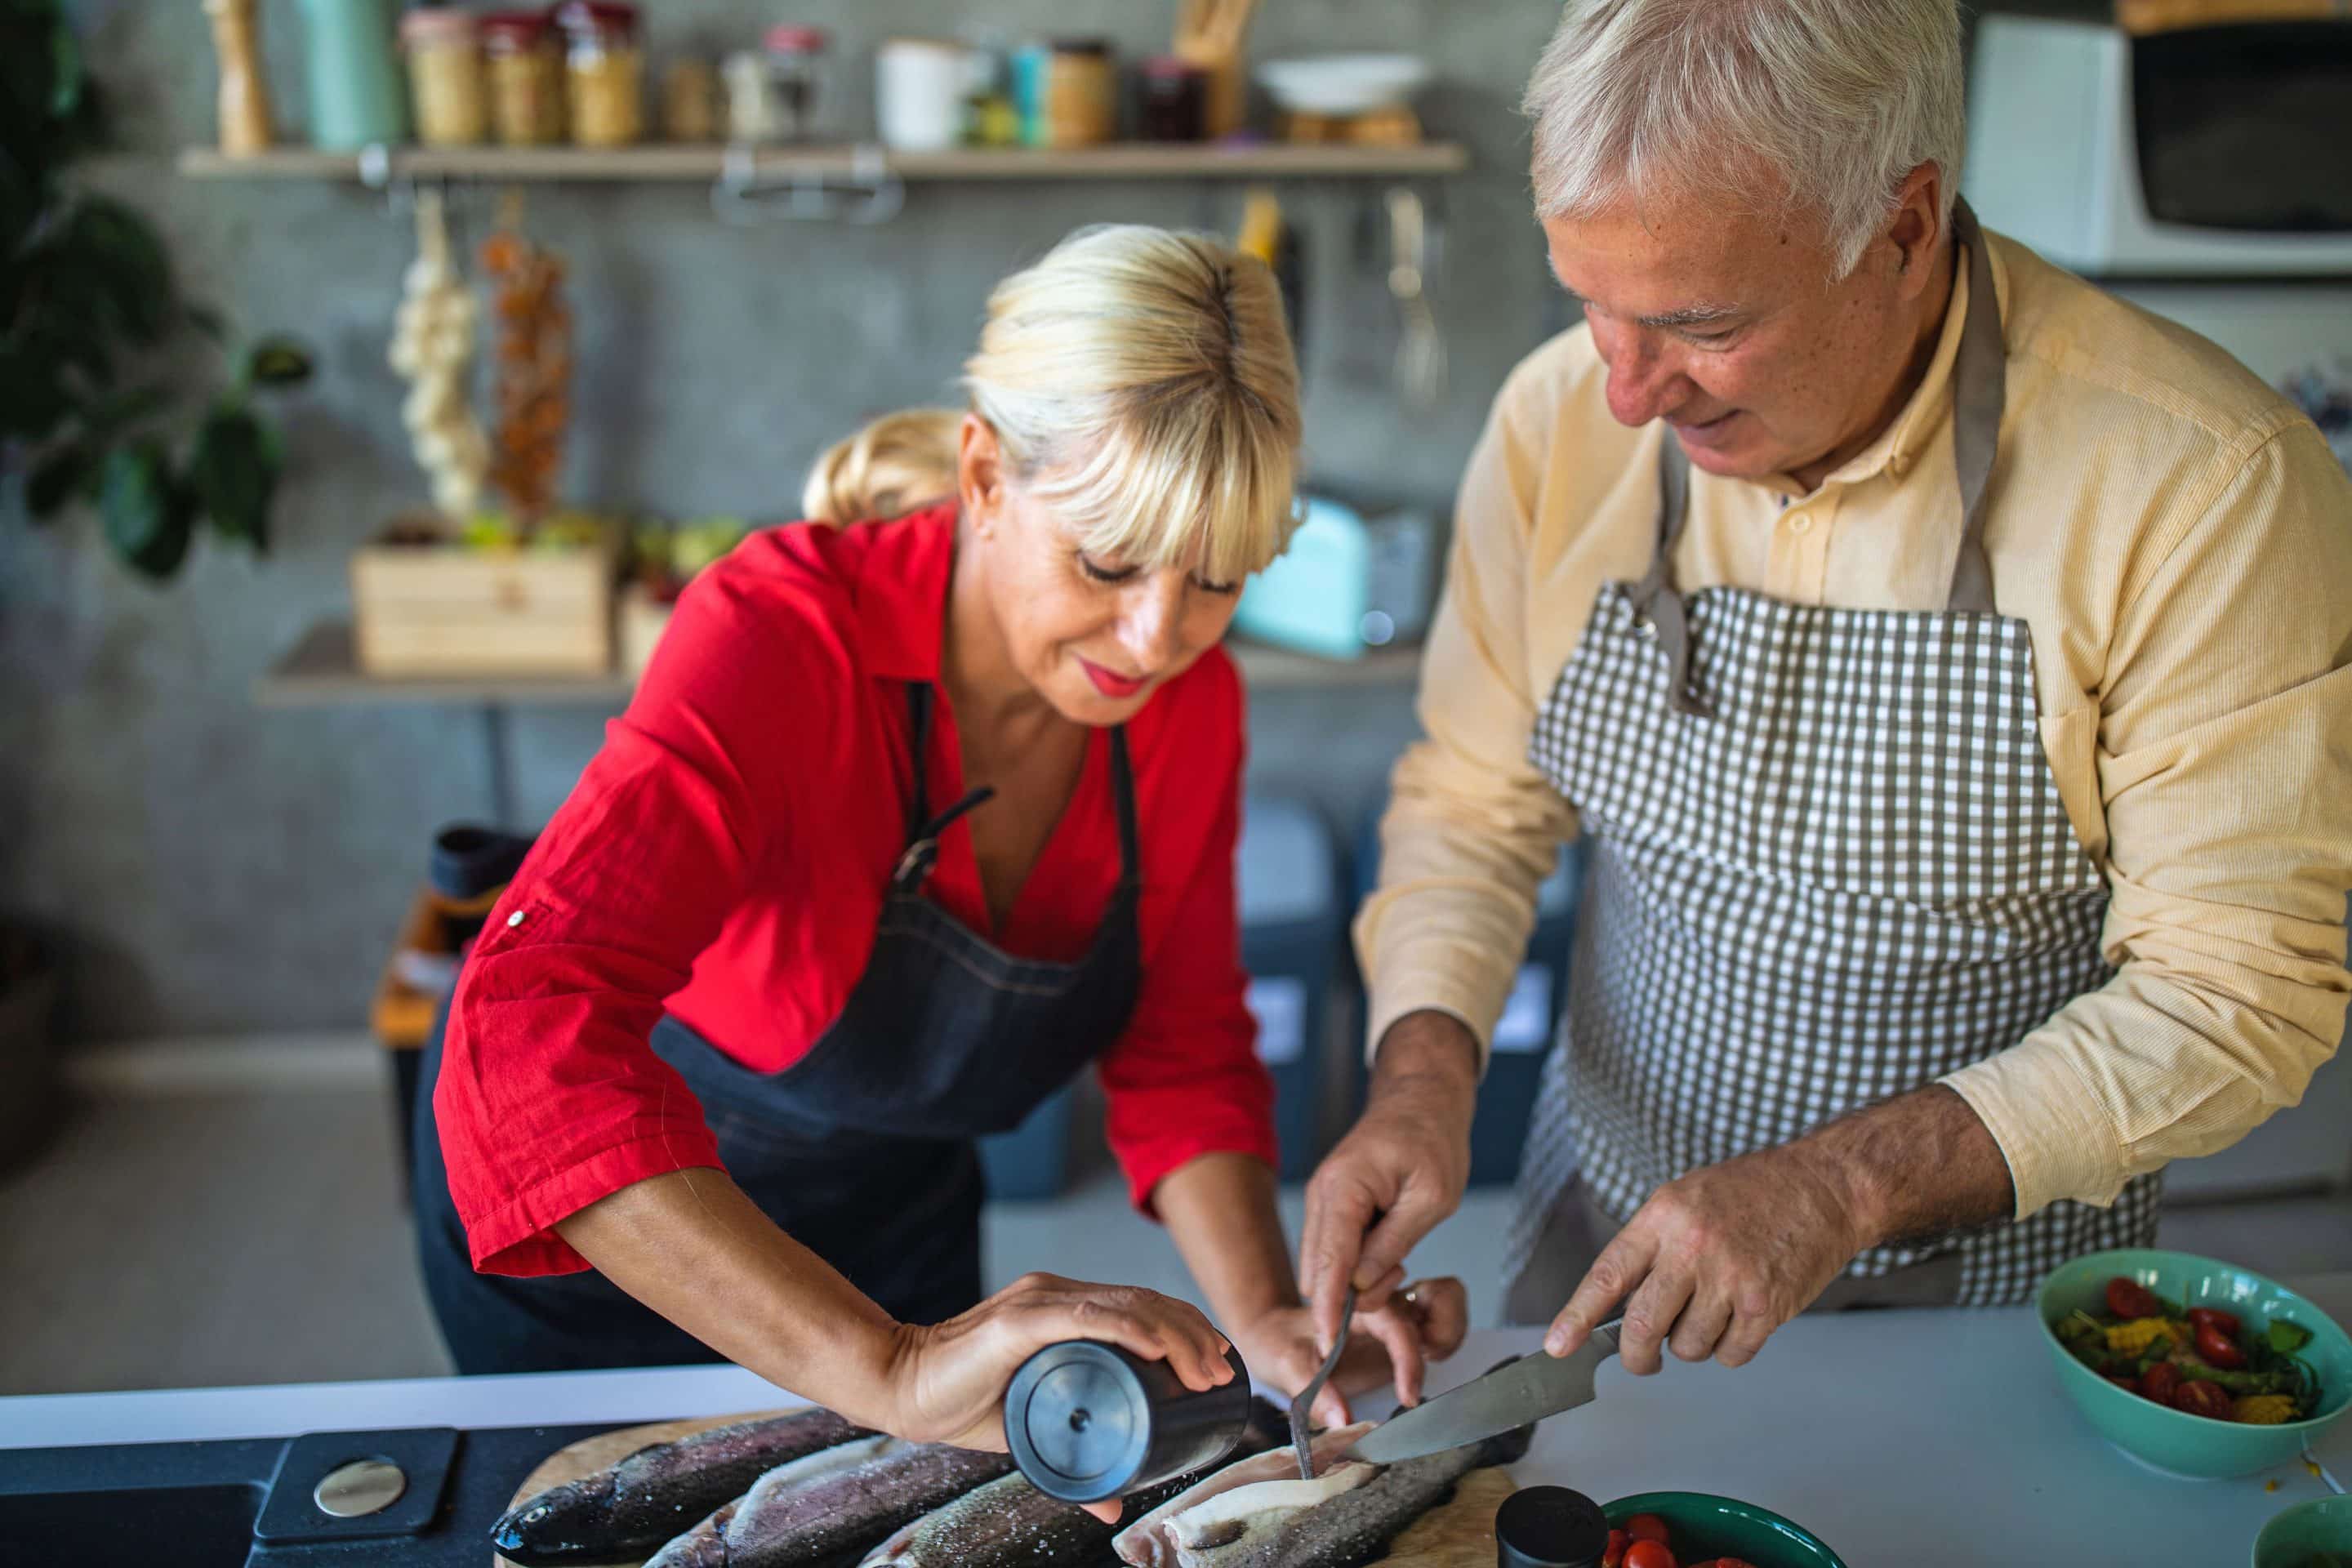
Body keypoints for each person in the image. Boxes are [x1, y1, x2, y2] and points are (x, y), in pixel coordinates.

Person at [1300, 0, 2352, 1380]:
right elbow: (1473, 801)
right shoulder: (1557, 420)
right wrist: (1422, 1080)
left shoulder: (2205, 487)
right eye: (1593, 306)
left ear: (1903, 229)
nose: (1627, 394)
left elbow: (2234, 991)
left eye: (1700, 323)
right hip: (1601, 1240)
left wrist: (1840, 1186)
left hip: (1987, 1297)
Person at [414, 227, 1466, 1490]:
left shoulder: (1189, 704)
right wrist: (887, 1370)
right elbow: (527, 1023)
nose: (1157, 638)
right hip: (628, 1247)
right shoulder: (777, 637)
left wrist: (1269, 1319)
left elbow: (1181, 1047)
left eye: (1218, 578)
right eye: (1108, 560)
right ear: (983, 475)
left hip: (894, 1237)